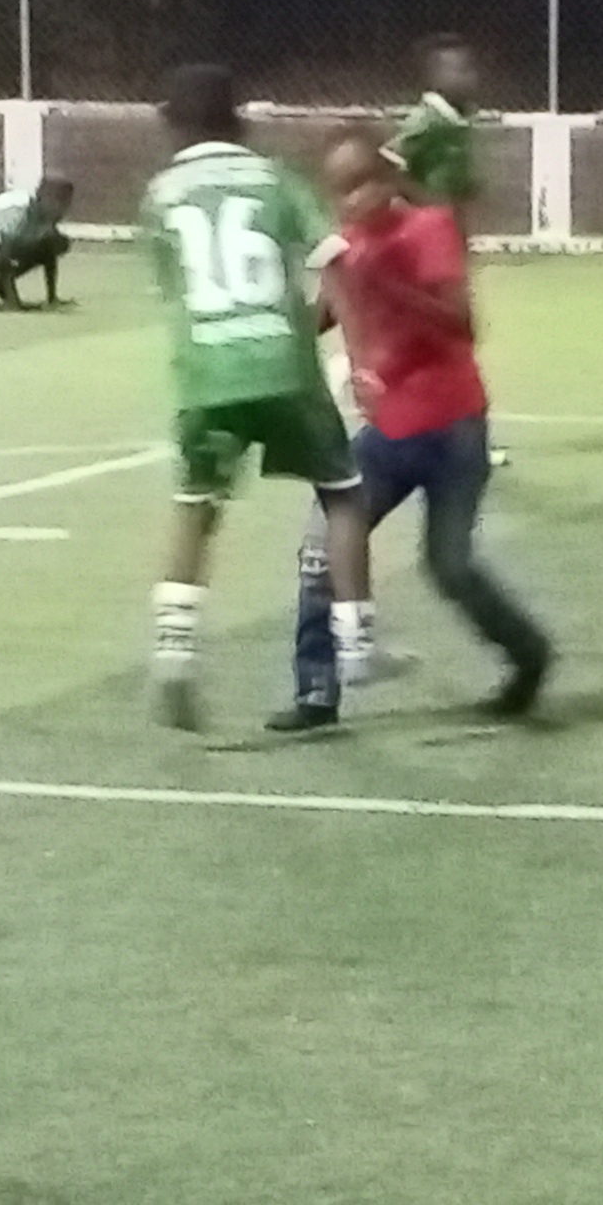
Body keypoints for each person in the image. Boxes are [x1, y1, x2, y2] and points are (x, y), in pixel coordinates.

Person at [271, 138, 553, 733]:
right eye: (340, 189)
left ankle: (529, 655)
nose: (352, 198)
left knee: (449, 566)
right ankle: (316, 690)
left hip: (453, 426)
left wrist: (390, 286)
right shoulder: (345, 246)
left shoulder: (429, 228)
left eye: (361, 182)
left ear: (388, 180)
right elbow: (319, 318)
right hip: (389, 433)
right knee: (323, 545)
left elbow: (462, 324)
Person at [139, 66, 378, 732]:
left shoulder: (159, 195)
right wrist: (359, 357)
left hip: (206, 375)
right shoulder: (274, 179)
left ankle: (175, 652)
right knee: (342, 493)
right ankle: (359, 645)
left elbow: (174, 290)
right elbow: (334, 260)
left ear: (174, 124)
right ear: (239, 121)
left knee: (196, 507)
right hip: (284, 365)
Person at [388, 33, 487, 225]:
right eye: (460, 70)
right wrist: (422, 201)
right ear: (434, 77)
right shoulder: (425, 120)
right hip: (428, 223)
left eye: (471, 69)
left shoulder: (460, 119)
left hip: (453, 220)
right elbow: (390, 162)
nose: (470, 77)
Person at [0, 171, 78, 309]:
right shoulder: (17, 209)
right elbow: (5, 250)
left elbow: (48, 250)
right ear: (42, 196)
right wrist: (13, 301)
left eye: (65, 202)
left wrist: (52, 298)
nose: (62, 208)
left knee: (52, 243)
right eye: (58, 201)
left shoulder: (47, 213)